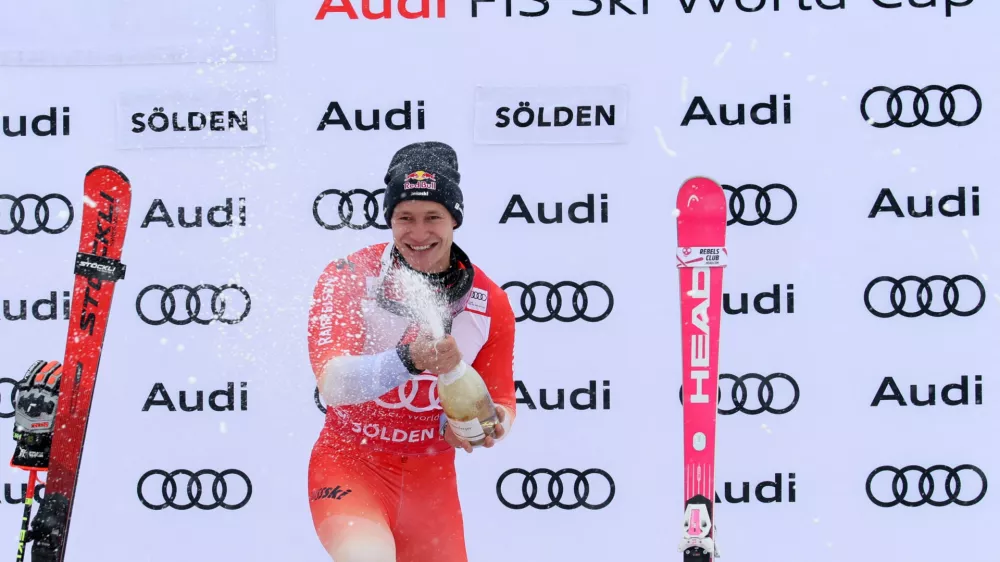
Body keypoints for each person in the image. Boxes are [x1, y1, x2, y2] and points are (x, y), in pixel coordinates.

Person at [305, 141, 518, 562]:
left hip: (431, 487)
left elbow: (502, 401)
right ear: (390, 219)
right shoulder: (349, 276)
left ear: (454, 219)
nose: (419, 234)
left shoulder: (489, 302)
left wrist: (485, 425)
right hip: (351, 466)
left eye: (433, 217)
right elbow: (333, 384)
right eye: (405, 218)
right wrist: (409, 360)